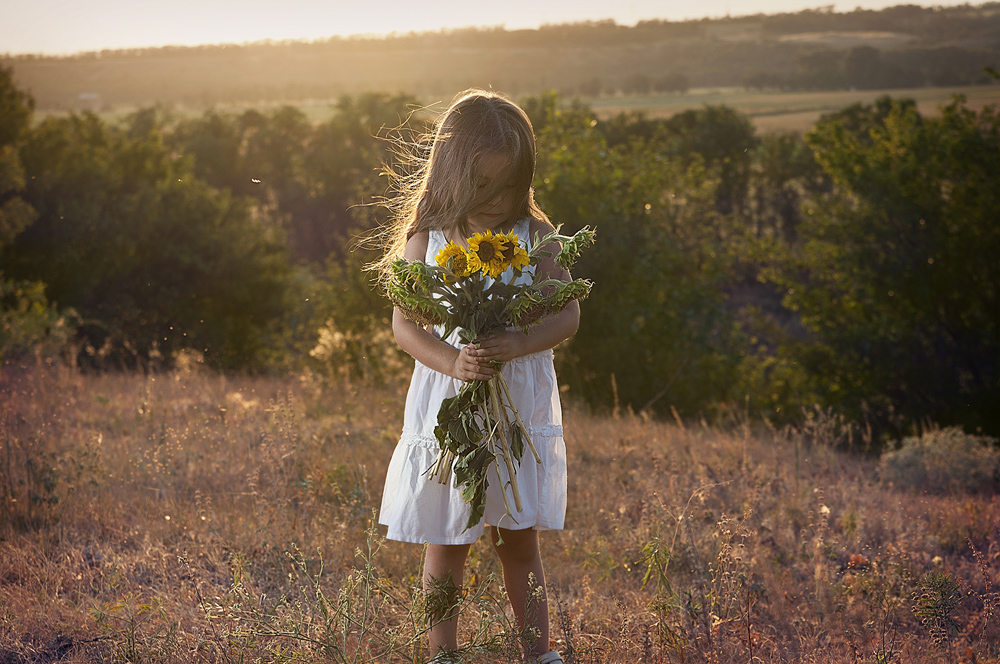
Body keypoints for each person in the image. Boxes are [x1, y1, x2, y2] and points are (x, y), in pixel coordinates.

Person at [373, 89, 578, 664]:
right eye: (482, 187)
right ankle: (443, 656)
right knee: (447, 542)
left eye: (506, 187)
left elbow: (569, 313)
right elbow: (405, 327)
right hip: (452, 411)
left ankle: (539, 654)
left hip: (514, 407)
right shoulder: (427, 240)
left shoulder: (536, 237)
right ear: (452, 175)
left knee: (518, 538)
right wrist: (452, 360)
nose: (494, 202)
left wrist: (519, 342)